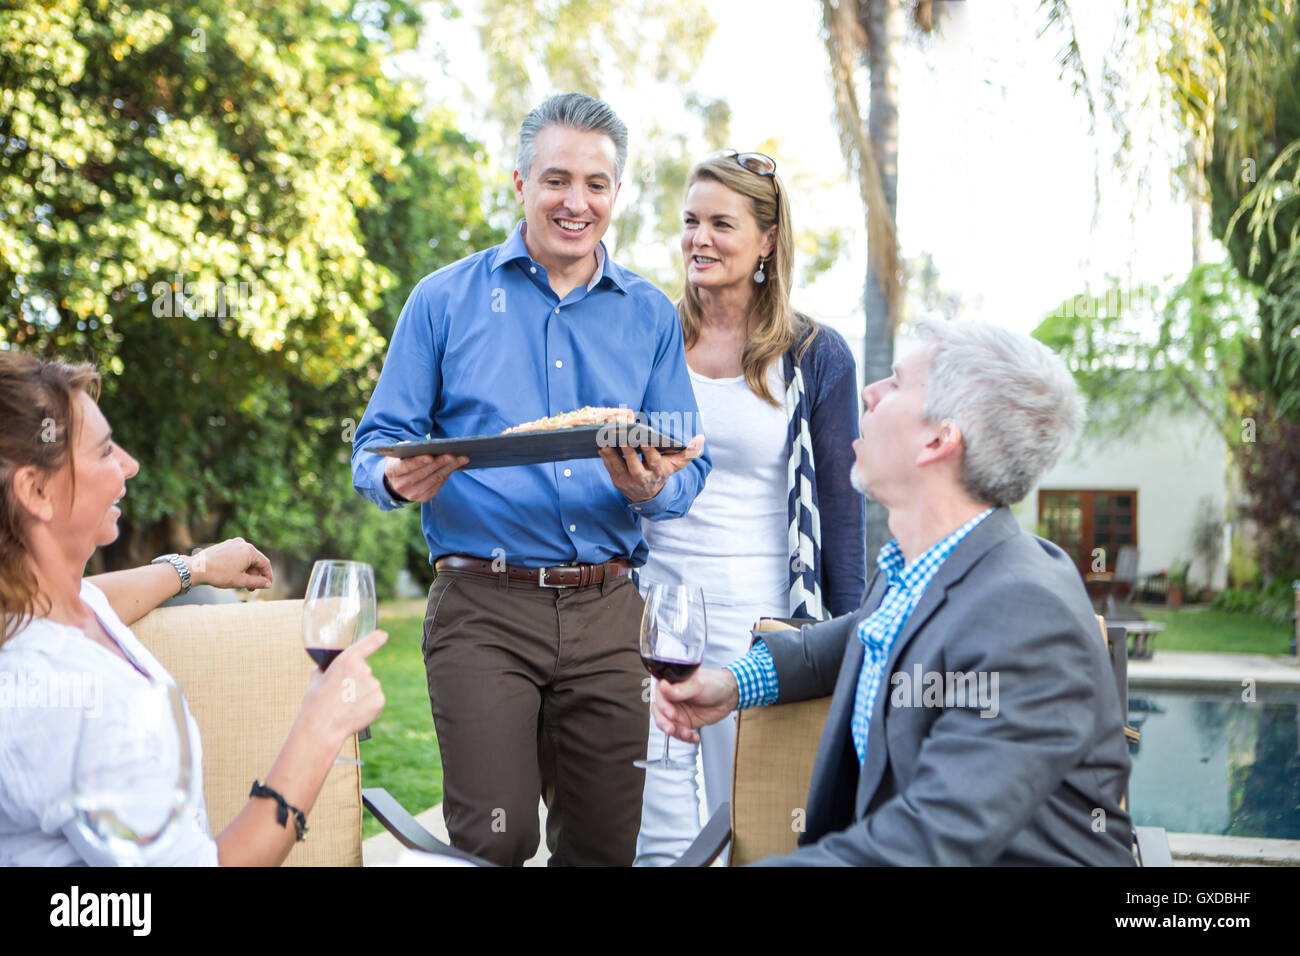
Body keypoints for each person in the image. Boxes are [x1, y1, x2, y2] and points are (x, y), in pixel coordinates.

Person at [350, 92, 711, 867]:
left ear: (616, 194)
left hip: (611, 610)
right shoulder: (442, 300)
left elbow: (689, 461)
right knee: (496, 840)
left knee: (604, 848)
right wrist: (394, 478)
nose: (576, 202)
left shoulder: (650, 314)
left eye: (596, 184)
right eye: (556, 180)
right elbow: (374, 447)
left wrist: (654, 487)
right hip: (483, 605)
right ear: (518, 183)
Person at [654, 319, 1137, 866]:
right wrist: (734, 683)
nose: (869, 392)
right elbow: (862, 634)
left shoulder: (1026, 612)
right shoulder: (913, 572)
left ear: (939, 439)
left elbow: (930, 840)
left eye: (897, 384)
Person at [0, 353, 386, 866]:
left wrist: (198, 567)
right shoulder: (72, 699)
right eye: (103, 451)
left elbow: (102, 594)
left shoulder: (44, 607)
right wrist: (322, 727)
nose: (129, 464)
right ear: (36, 491)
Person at [634, 151, 865, 865]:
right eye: (690, 222)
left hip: (762, 618)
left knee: (759, 822)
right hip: (652, 614)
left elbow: (841, 515)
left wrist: (843, 651)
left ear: (766, 240)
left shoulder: (816, 355)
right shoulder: (648, 337)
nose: (699, 239)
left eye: (720, 224)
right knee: (659, 828)